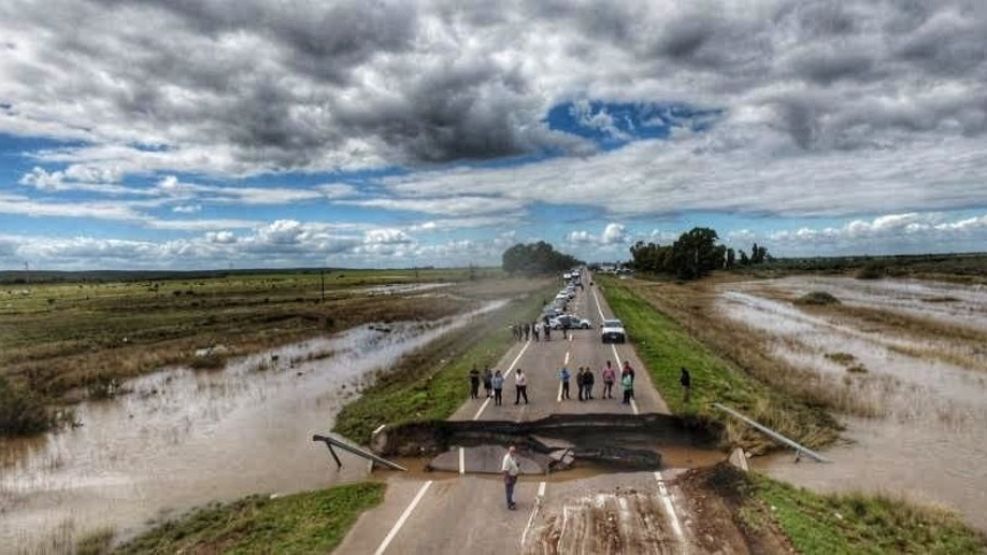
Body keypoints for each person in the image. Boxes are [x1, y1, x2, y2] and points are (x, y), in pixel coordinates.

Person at [502, 445, 520, 510]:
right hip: (509, 477)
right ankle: (509, 505)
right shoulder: (507, 458)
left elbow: (513, 465)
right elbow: (505, 469)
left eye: (514, 451)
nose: (513, 452)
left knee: (511, 490)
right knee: (508, 491)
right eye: (512, 451)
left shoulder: (513, 457)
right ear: (509, 451)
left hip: (513, 477)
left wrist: (517, 465)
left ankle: (511, 502)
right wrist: (506, 479)